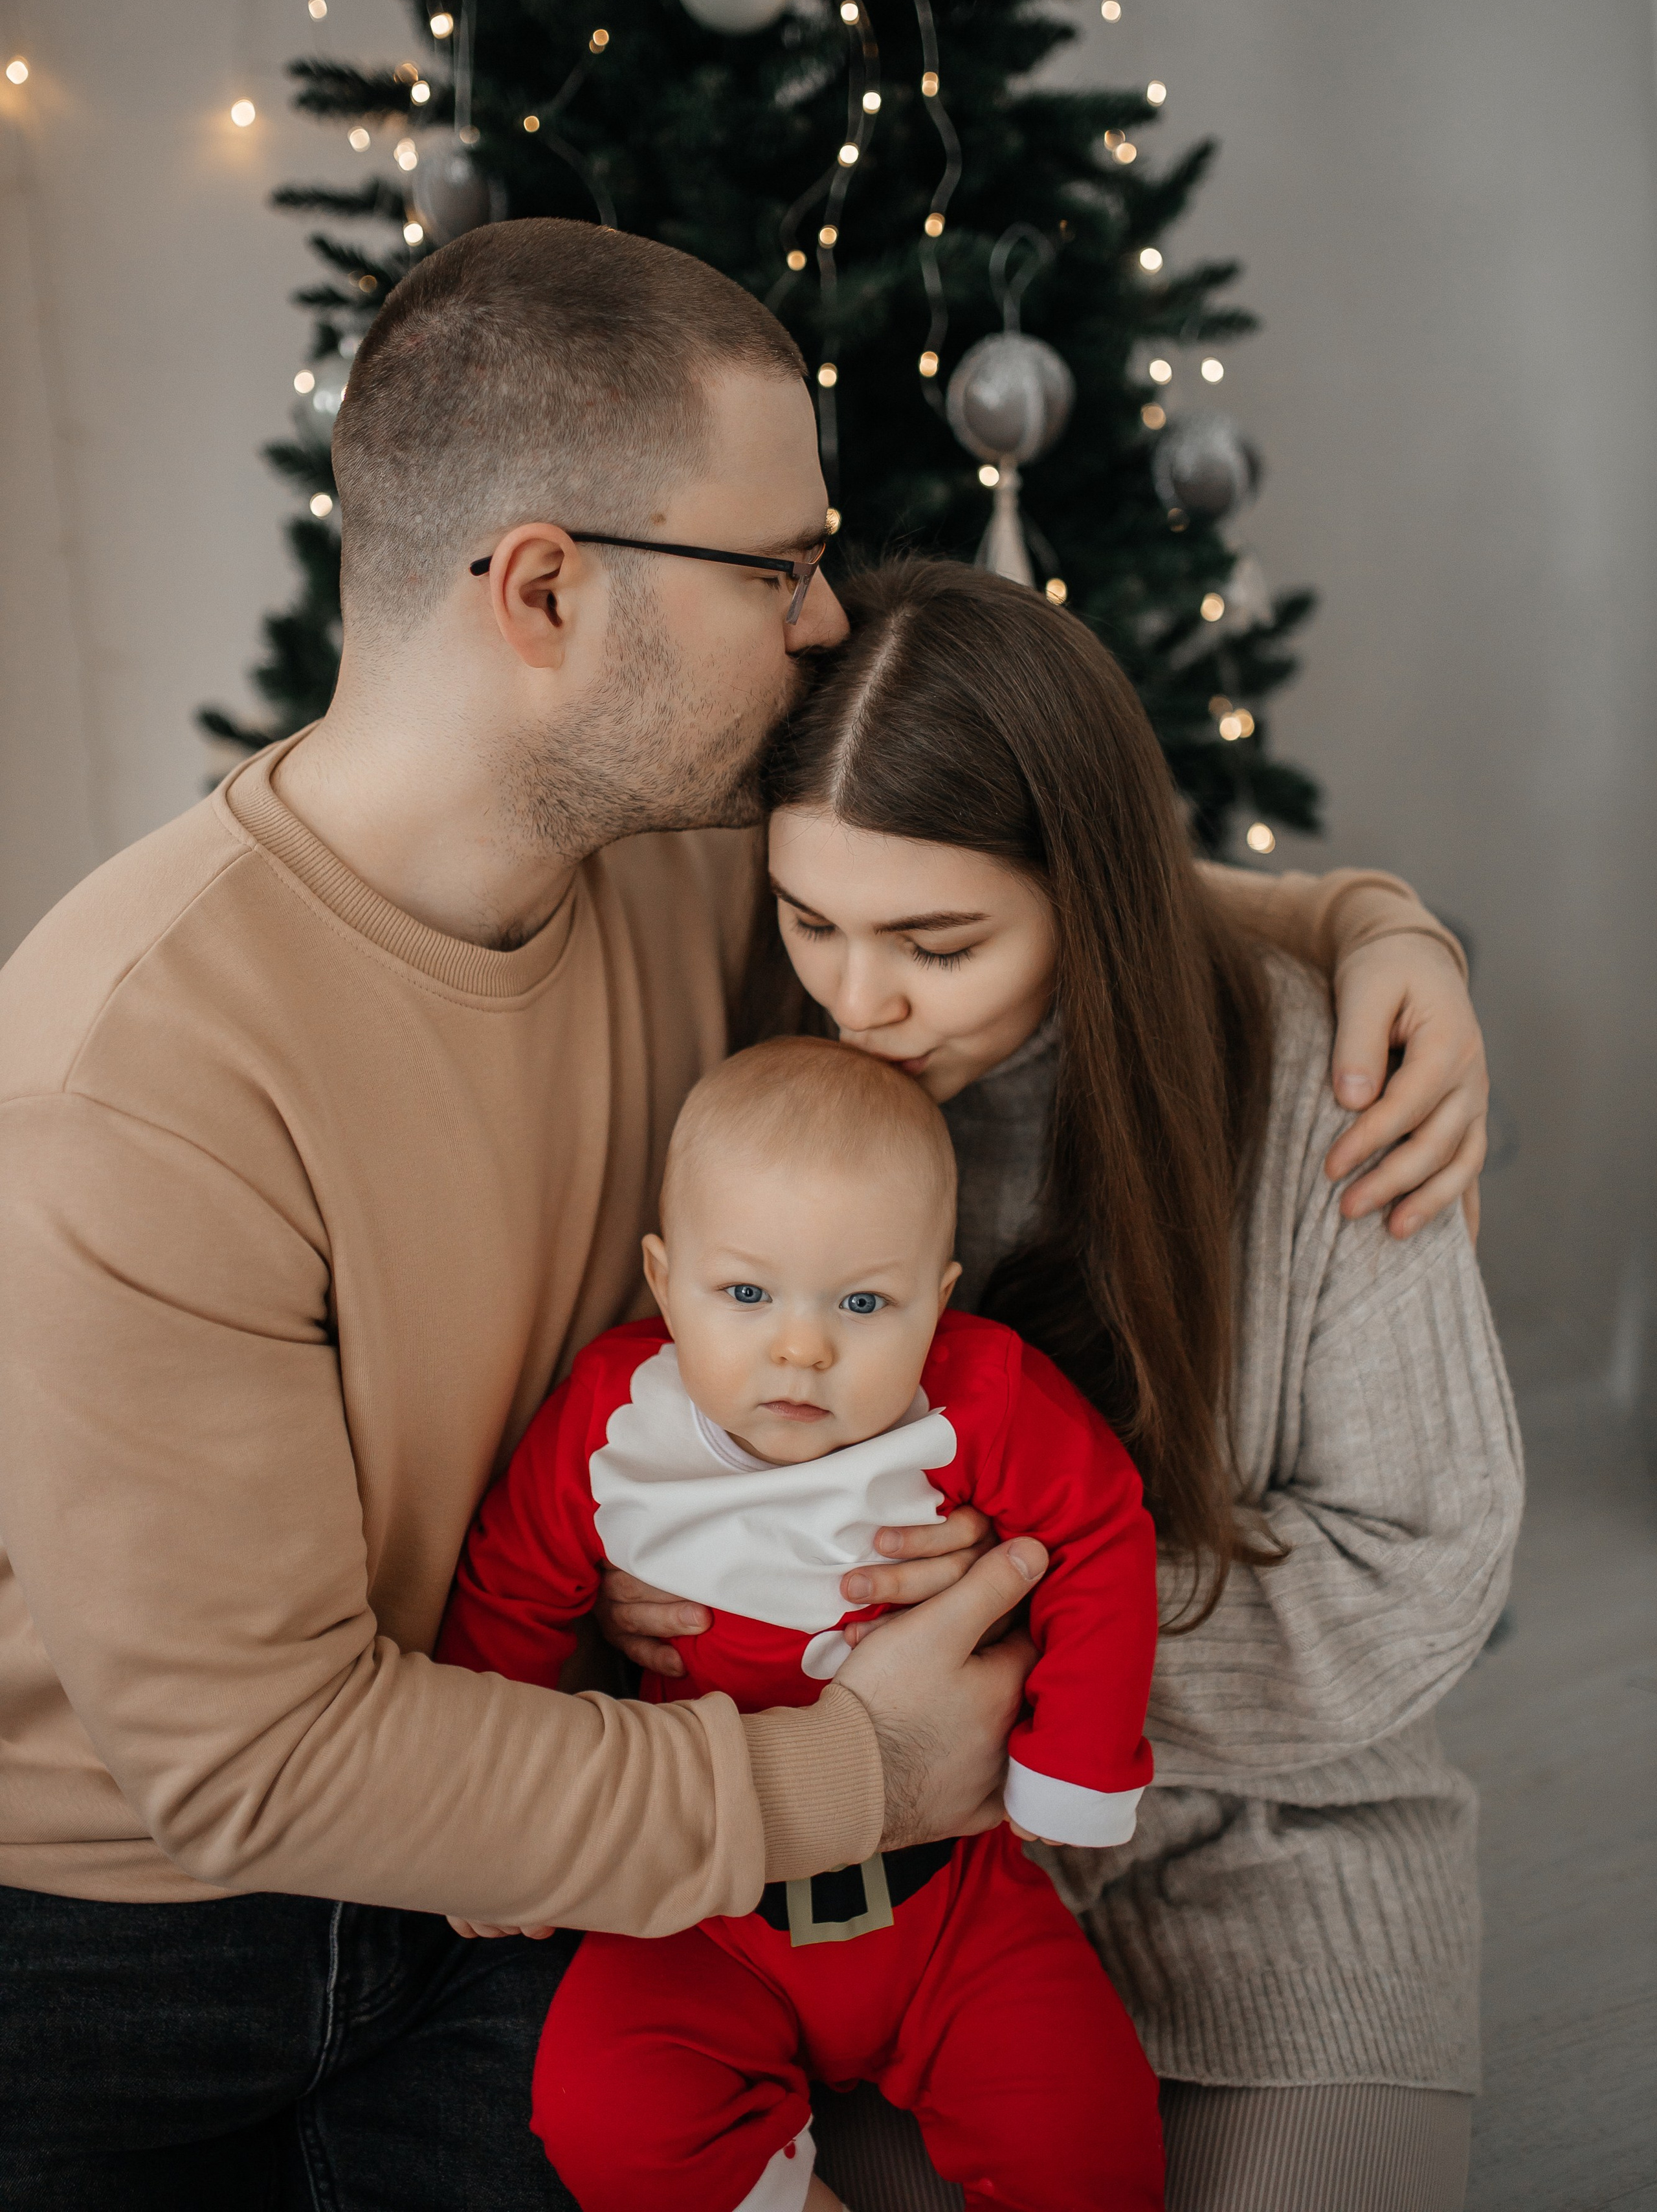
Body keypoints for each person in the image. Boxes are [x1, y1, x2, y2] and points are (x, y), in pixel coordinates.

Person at [0, 219, 1490, 2206]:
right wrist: (852, 1763)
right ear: (544, 590)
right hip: (135, 1937)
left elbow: (1054, 885)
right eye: (779, 563)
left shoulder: (682, 878)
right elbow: (257, 1765)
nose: (822, 622)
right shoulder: (128, 1071)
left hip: (540, 1876)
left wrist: (1377, 925)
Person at [603, 557, 1520, 2212]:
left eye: (936, 943)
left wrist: (1019, 1641)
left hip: (1281, 1855)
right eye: (812, 919)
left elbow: (1420, 1570)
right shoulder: (770, 1093)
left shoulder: (1324, 1082)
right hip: (894, 1893)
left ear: (1086, 896)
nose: (857, 1002)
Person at [440, 1036, 1164, 2212]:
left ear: (937, 1302)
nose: (802, 1346)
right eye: (746, 1295)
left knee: (1091, 2141)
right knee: (601, 2114)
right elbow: (511, 1596)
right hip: (703, 1904)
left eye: (864, 1303)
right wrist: (501, 1824)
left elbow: (1100, 1533)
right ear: (666, 1281)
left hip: (950, 1898)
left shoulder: (979, 1398)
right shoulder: (616, 1423)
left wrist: (1073, 1764)